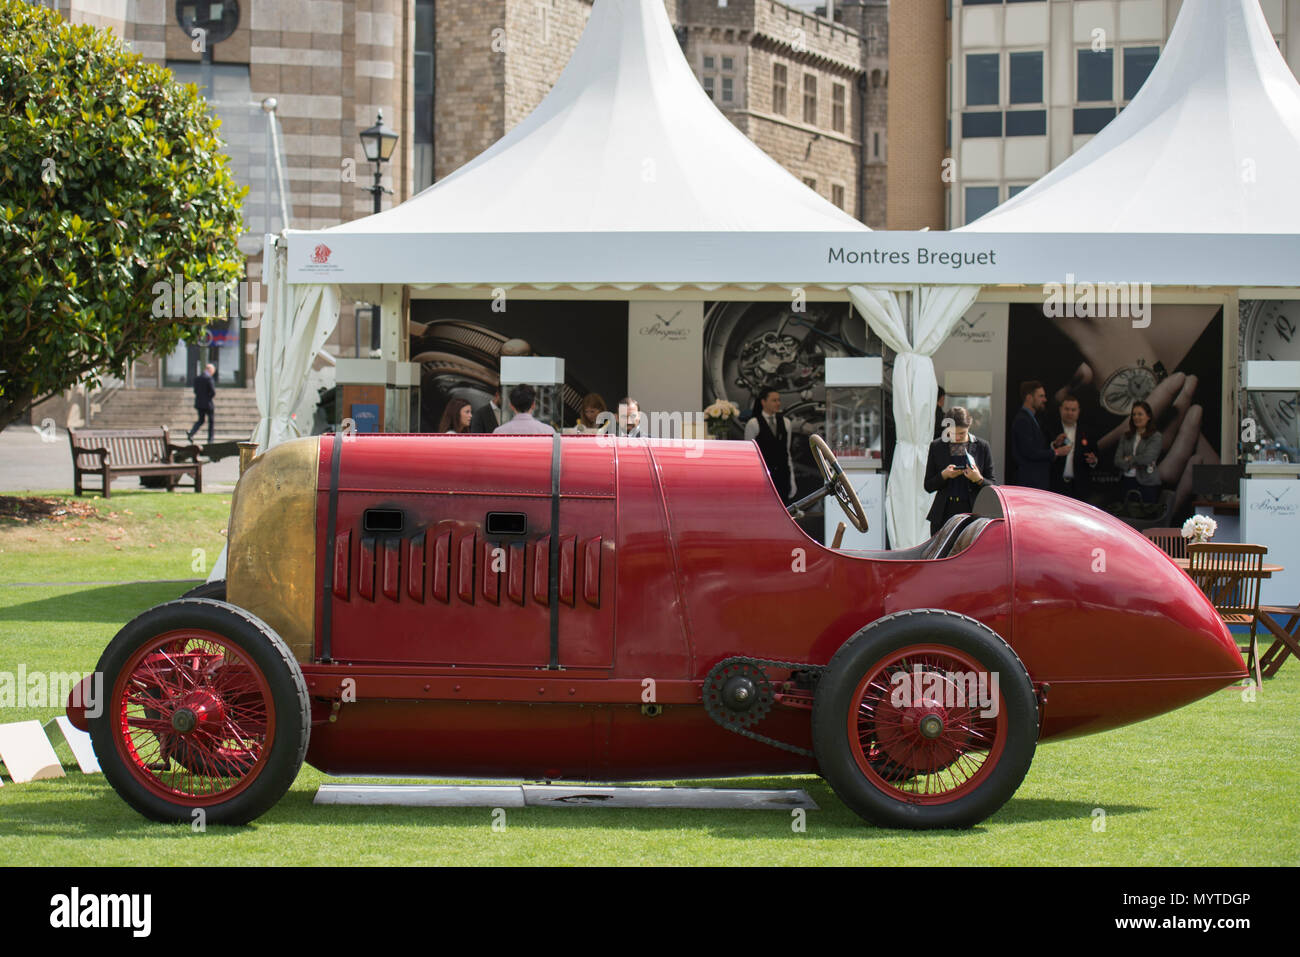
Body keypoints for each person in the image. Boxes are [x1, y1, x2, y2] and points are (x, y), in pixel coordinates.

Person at [923, 406, 995, 535]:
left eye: (961, 433)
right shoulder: (937, 446)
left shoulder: (982, 447)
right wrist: (944, 475)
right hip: (944, 513)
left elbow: (993, 486)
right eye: (952, 433)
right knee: (941, 554)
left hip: (972, 513)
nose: (956, 438)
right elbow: (928, 486)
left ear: (970, 425)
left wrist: (978, 479)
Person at [743, 387, 796, 504]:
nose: (778, 403)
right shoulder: (753, 424)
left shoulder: (786, 423)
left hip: (783, 476)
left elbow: (787, 452)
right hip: (762, 477)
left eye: (779, 400)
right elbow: (749, 456)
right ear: (763, 402)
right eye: (774, 400)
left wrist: (792, 479)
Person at [1010, 380, 1065, 489]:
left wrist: (1054, 445)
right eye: (1041, 396)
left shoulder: (1032, 419)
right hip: (1030, 481)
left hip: (1035, 480)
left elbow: (1034, 448)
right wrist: (1057, 452)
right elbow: (1029, 452)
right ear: (1029, 398)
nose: (1045, 400)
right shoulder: (1023, 420)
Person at [1048, 392, 1099, 501]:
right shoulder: (1050, 429)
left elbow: (1096, 456)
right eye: (1067, 409)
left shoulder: (1087, 432)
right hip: (1056, 486)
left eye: (1073, 410)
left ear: (1078, 411)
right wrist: (1054, 445)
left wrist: (1093, 461)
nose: (1070, 413)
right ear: (1060, 409)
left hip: (1080, 488)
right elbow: (1042, 454)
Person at [1114, 400, 1162, 504]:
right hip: (1126, 481)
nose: (1136, 417)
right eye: (1134, 414)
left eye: (1140, 414)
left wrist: (1129, 459)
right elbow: (1117, 460)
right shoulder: (1126, 436)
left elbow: (1148, 458)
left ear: (1148, 416)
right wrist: (1134, 461)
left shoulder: (1155, 436)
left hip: (1147, 484)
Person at [187, 363, 216, 444]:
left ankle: (192, 432)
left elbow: (195, 391)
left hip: (199, 403)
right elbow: (213, 392)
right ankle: (210, 439)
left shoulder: (197, 378)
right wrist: (208, 397)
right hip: (208, 404)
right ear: (210, 370)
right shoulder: (209, 379)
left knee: (200, 420)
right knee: (211, 421)